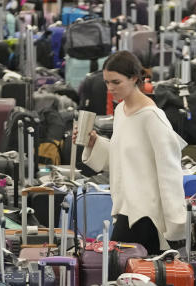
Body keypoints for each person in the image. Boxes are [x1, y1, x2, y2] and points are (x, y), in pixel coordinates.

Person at [79, 51, 187, 254]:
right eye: (107, 82)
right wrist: (95, 143)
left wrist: (176, 227)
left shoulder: (152, 117)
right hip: (126, 208)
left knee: (122, 274)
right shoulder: (121, 111)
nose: (110, 88)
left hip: (146, 216)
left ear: (134, 79)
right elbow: (123, 159)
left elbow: (170, 173)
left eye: (116, 82)